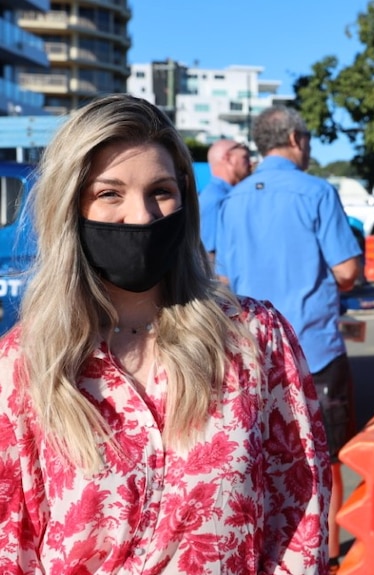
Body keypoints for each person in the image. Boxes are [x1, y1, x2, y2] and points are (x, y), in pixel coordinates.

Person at [0, 94, 331, 574]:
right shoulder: (24, 365)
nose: (141, 217)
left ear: (185, 200)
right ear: (70, 208)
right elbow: (13, 544)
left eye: (160, 191)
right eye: (109, 194)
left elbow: (299, 512)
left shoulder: (256, 339)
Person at [216, 105, 361, 572]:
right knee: (328, 457)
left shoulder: (232, 201)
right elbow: (347, 270)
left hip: (250, 351)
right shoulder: (317, 192)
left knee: (262, 456)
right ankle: (329, 553)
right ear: (297, 139)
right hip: (313, 349)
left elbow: (222, 279)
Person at [198, 138, 252, 258]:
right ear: (229, 158)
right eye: (245, 158)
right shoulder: (216, 199)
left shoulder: (223, 195)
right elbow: (210, 256)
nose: (250, 164)